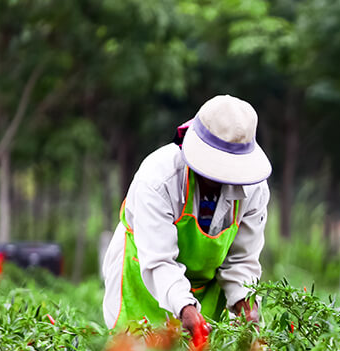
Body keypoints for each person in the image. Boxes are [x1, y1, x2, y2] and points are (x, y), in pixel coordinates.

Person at [101, 95, 270, 336]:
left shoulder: (254, 189)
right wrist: (186, 309)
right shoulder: (159, 178)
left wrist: (248, 308)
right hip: (143, 280)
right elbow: (159, 261)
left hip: (206, 290)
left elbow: (241, 262)